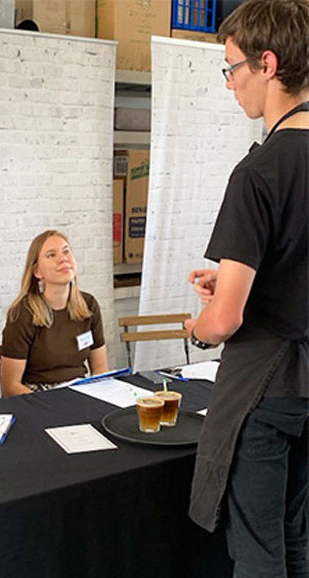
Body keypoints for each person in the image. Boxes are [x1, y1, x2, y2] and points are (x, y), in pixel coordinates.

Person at [182, 1, 309, 575]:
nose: (230, 83)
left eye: (232, 68)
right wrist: (242, 281)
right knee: (300, 540)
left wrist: (198, 328)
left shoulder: (259, 171)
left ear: (268, 63)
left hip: (266, 387)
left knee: (259, 553)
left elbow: (226, 319)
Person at [0, 230, 108, 397]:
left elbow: (100, 368)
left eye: (66, 251)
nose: (63, 258)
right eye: (51, 255)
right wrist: (53, 405)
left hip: (80, 392)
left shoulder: (89, 305)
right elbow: (10, 386)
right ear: (37, 272)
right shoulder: (22, 313)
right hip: (37, 398)